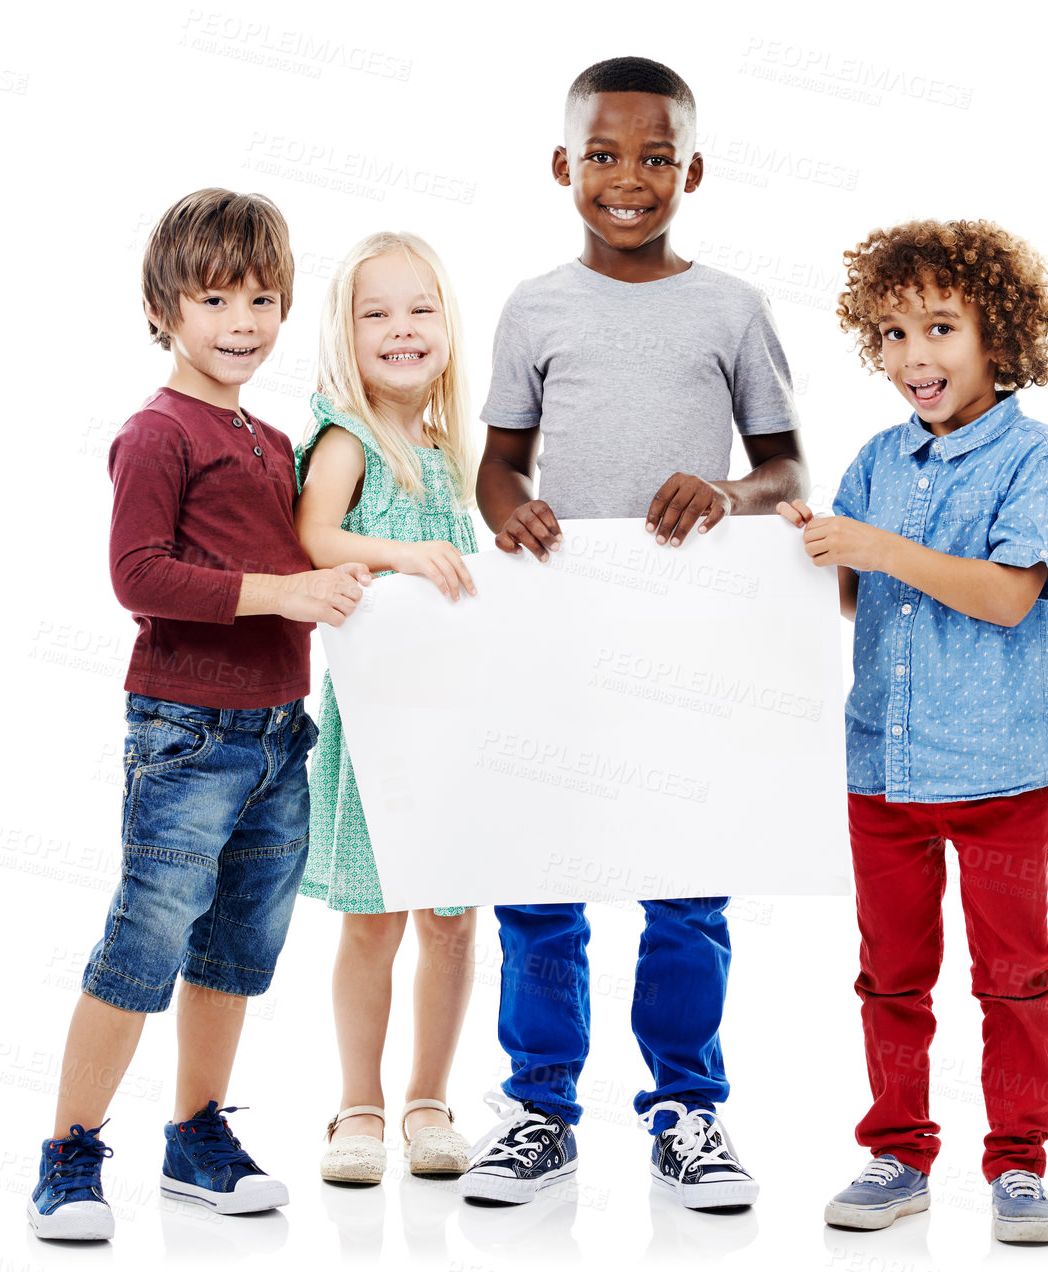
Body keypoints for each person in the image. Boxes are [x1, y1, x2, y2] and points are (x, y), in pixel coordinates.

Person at [459, 56, 807, 1212]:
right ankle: (539, 1110)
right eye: (601, 155)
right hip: (554, 629)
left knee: (684, 885)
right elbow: (499, 462)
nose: (627, 178)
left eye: (654, 157)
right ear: (563, 166)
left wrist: (725, 493)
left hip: (689, 640)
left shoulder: (732, 309)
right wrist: (510, 508)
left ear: (690, 170)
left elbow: (787, 468)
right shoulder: (533, 308)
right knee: (541, 877)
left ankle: (686, 1109)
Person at [25, 188, 371, 1240]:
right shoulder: (156, 434)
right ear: (163, 309)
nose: (242, 323)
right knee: (144, 941)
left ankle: (196, 1133)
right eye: (215, 298)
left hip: (279, 734)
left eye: (264, 299)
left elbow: (317, 552)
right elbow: (138, 576)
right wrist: (284, 595)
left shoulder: (275, 438)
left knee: (233, 952)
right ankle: (69, 1155)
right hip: (187, 736)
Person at [779, 219, 1048, 1245]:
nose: (914, 356)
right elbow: (871, 606)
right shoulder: (876, 460)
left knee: (1012, 981)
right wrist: (817, 559)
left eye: (940, 328)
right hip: (884, 772)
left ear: (998, 334)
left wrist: (872, 545)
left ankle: (1017, 1169)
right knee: (889, 978)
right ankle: (897, 1153)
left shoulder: (1038, 461)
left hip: (999, 776)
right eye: (892, 332)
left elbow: (1004, 597)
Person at [294, 232, 480, 1186]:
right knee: (372, 917)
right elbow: (314, 535)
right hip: (377, 726)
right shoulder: (348, 439)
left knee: (451, 917)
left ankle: (429, 1101)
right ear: (347, 333)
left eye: (420, 310)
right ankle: (357, 1105)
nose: (401, 329)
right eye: (377, 314)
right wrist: (400, 557)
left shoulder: (452, 450)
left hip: (455, 724)